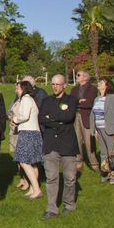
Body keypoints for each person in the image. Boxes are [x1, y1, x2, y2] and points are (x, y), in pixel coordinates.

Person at [39, 74, 79, 220]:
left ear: (64, 85)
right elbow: (41, 118)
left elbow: (69, 117)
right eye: (53, 84)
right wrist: (57, 120)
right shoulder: (46, 100)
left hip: (67, 144)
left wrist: (52, 118)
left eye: (57, 84)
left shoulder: (72, 100)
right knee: (51, 178)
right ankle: (51, 208)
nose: (54, 86)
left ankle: (69, 204)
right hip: (50, 144)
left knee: (70, 177)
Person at [12, 81, 43, 199]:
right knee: (32, 163)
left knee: (24, 162)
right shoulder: (30, 99)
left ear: (23, 89)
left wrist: (15, 119)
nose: (16, 91)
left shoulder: (25, 99)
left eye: (18, 89)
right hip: (34, 132)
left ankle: (36, 189)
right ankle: (33, 188)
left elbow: (24, 116)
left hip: (28, 133)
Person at [90, 78, 114, 183]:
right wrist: (95, 130)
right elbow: (93, 115)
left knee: (113, 154)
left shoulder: (113, 98)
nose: (98, 84)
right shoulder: (97, 99)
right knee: (103, 153)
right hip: (100, 129)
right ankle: (105, 174)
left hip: (110, 130)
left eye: (101, 83)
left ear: (107, 86)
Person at [71, 70, 100, 172]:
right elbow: (71, 102)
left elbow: (89, 103)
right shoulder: (74, 89)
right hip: (75, 116)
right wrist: (79, 101)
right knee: (77, 140)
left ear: (85, 77)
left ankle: (94, 163)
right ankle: (78, 162)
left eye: (78, 75)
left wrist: (77, 102)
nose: (77, 76)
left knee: (89, 141)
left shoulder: (92, 89)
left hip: (86, 117)